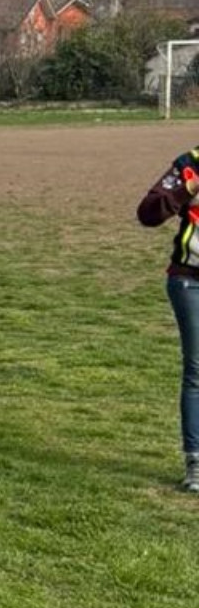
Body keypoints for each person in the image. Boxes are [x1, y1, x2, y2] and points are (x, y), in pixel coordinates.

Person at [137, 144, 199, 492]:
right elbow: (148, 213)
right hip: (190, 283)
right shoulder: (189, 165)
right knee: (197, 372)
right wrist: (186, 189)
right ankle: (196, 463)